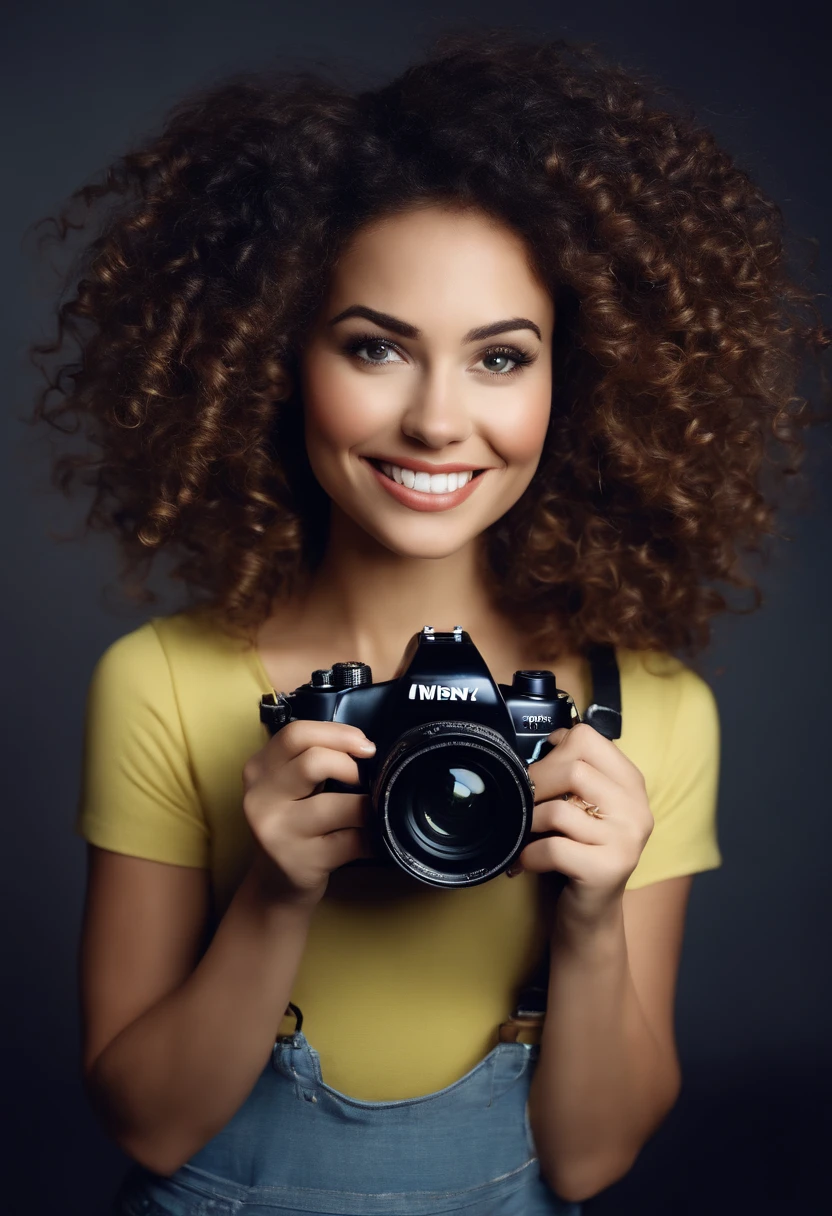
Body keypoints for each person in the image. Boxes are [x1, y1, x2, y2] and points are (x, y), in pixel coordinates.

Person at [29, 28, 826, 1216]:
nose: (438, 420)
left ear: (578, 381)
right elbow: (145, 1125)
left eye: (501, 358)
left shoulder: (645, 713)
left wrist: (595, 916)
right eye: (375, 348)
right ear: (276, 359)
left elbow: (591, 1163)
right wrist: (275, 890)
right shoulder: (166, 682)